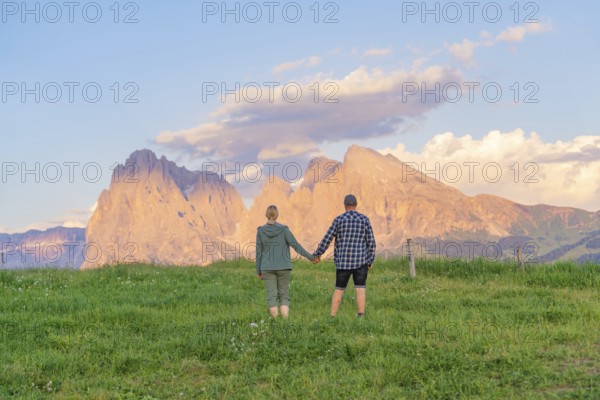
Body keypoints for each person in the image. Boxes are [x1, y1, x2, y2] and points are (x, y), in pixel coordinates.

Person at [313, 194, 376, 317]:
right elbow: (371, 243)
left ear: (345, 206)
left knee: (339, 289)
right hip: (361, 262)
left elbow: (327, 239)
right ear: (356, 205)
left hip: (343, 263)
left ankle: (332, 316)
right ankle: (361, 316)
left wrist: (318, 254)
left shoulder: (338, 220)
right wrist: (370, 260)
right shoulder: (364, 220)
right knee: (360, 288)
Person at [256, 205, 316, 318]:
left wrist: (258, 270)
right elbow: (296, 246)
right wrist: (312, 258)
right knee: (284, 294)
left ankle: (275, 322)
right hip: (284, 267)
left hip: (267, 268)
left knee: (271, 295)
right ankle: (284, 322)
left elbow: (258, 252)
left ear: (266, 214)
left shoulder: (260, 231)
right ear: (277, 215)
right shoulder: (284, 230)